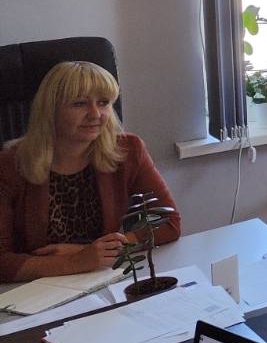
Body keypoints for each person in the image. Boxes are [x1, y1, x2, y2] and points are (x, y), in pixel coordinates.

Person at [0, 60, 181, 282]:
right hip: (35, 288)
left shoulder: (128, 150)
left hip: (101, 278)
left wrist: (100, 251)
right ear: (50, 109)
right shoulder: (9, 164)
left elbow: (169, 222)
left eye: (104, 103)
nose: (95, 114)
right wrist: (77, 261)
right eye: (80, 103)